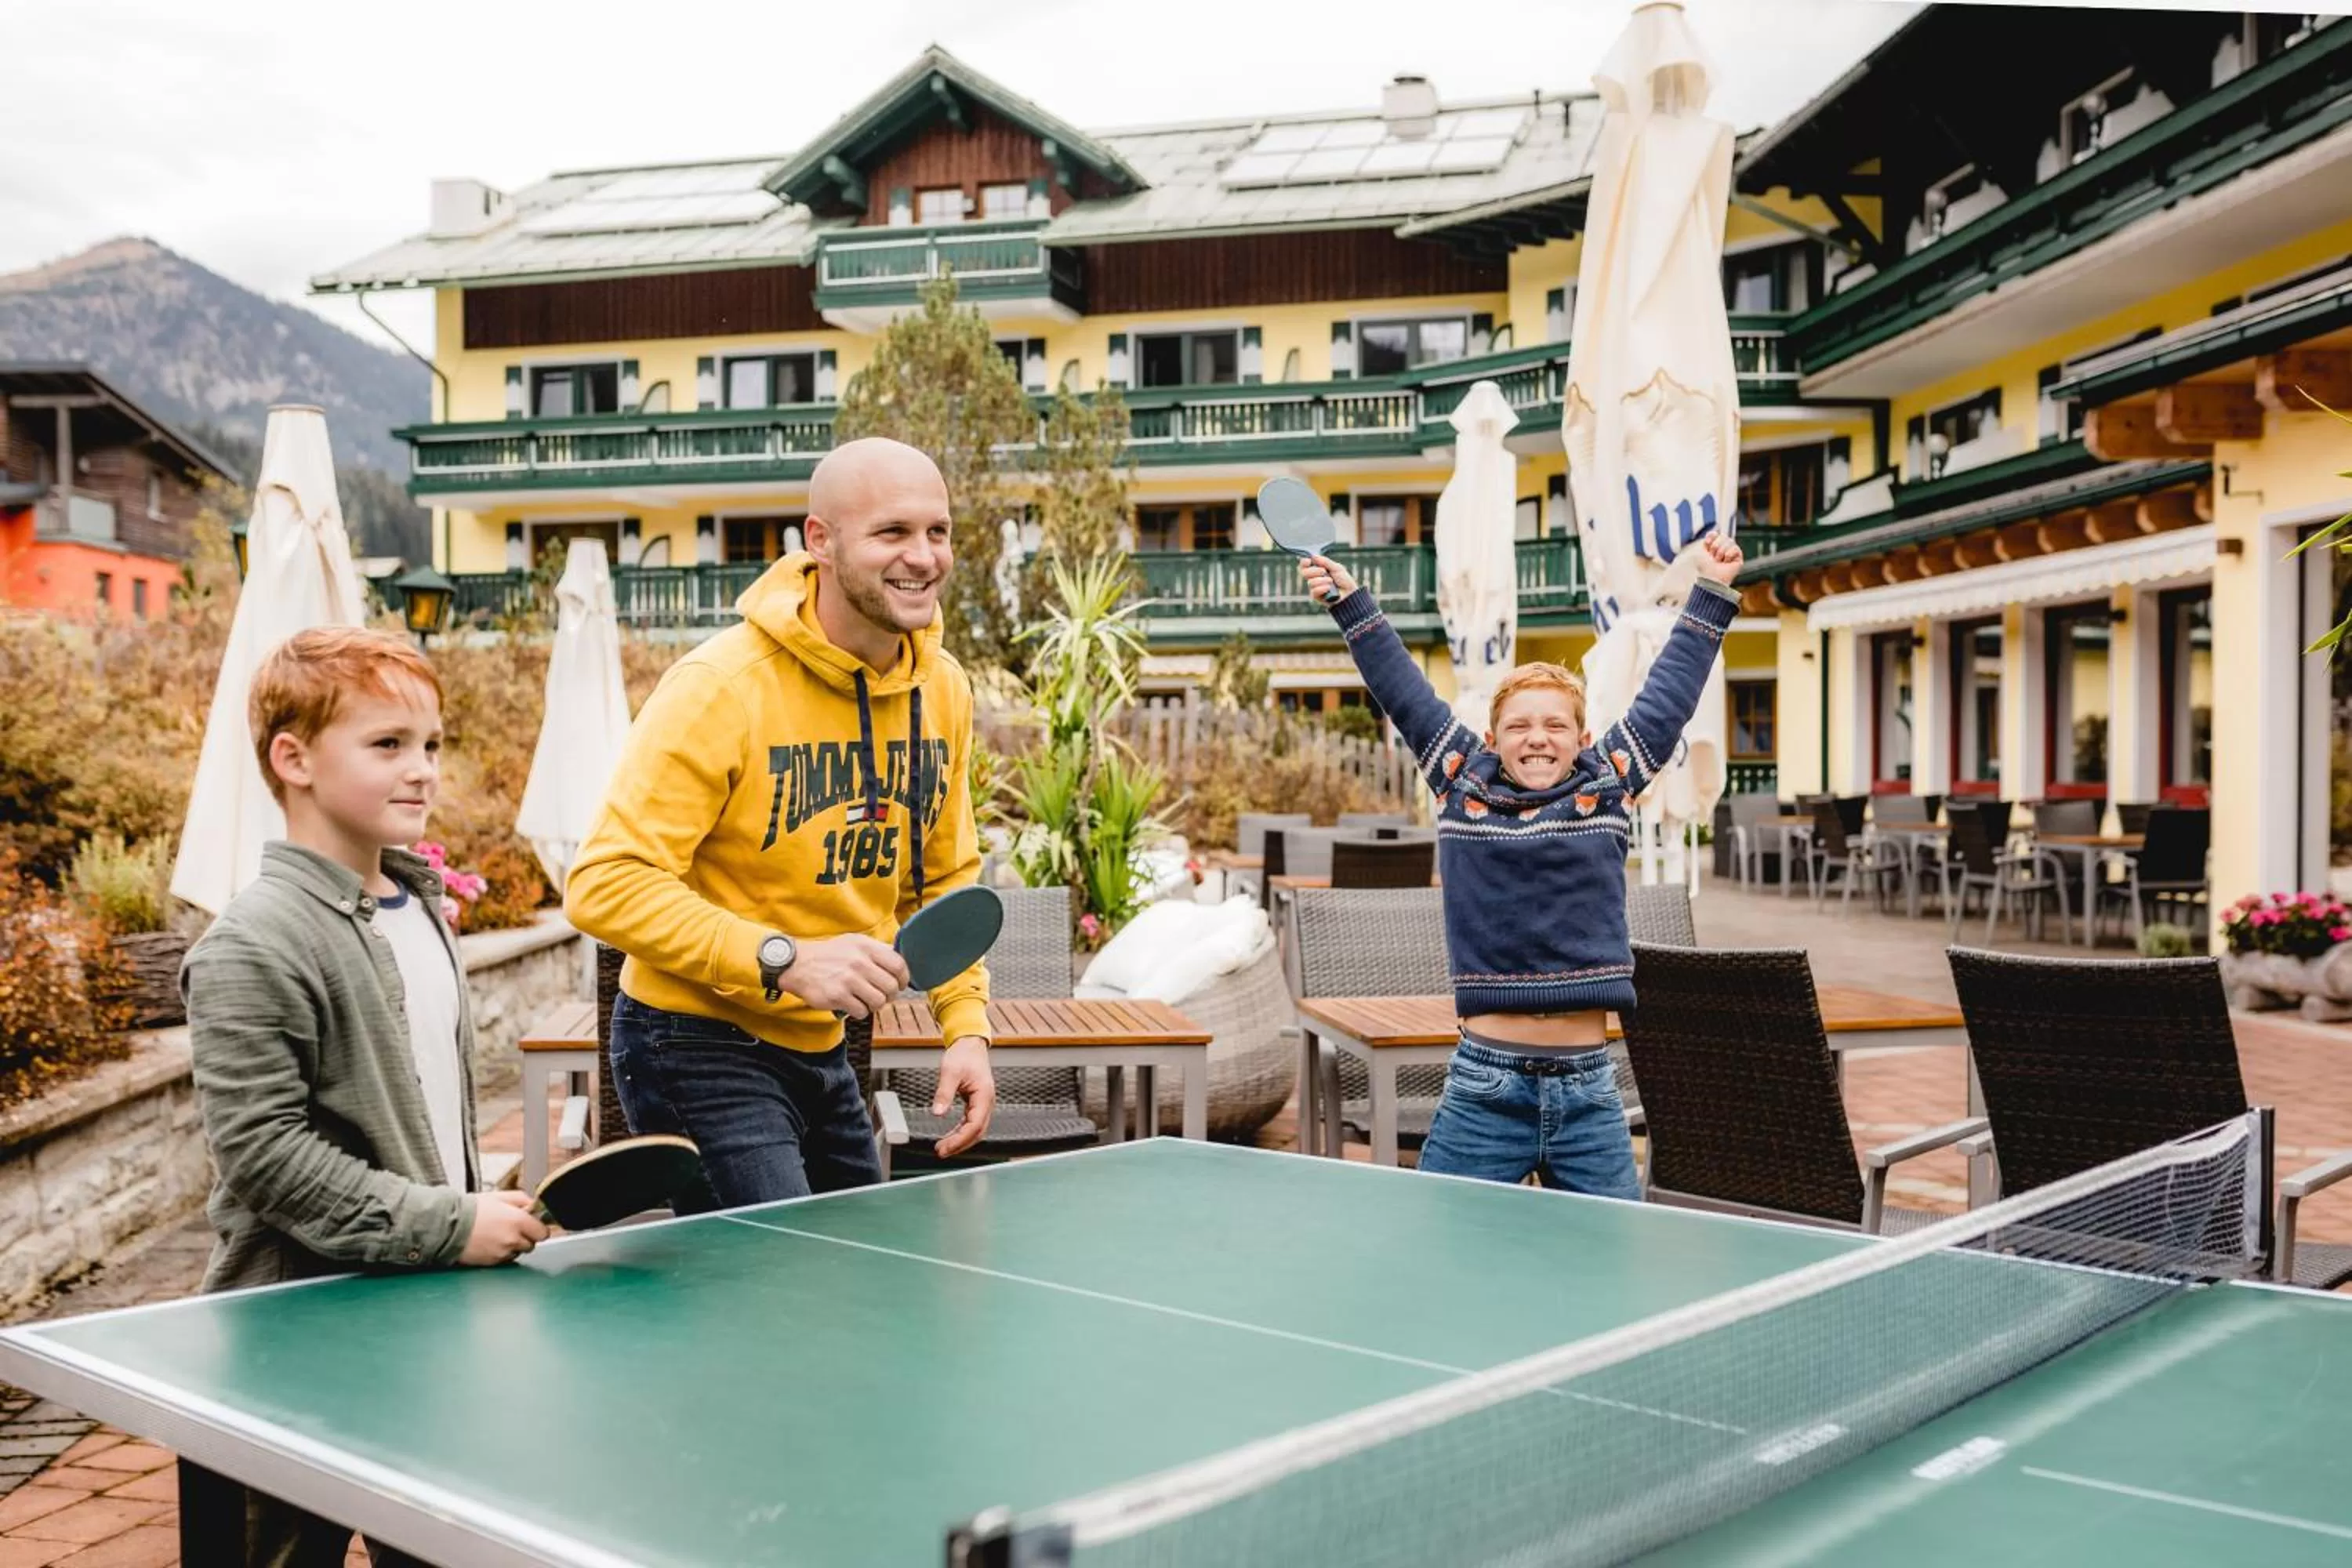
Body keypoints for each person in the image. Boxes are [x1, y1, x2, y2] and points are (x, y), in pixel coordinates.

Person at [181, 626, 546, 1567]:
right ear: (292, 759)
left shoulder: (420, 903)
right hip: (295, 1338)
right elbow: (266, 1158)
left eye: (431, 743)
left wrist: (463, 1216)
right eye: (387, 744)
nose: (423, 769)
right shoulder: (249, 945)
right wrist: (446, 1222)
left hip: (422, 1318)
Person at [567, 436, 996, 1207]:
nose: (925, 556)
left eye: (939, 531)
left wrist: (965, 1026)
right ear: (820, 541)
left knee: (852, 1262)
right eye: (893, 532)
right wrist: (784, 957)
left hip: (820, 1040)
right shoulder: (720, 686)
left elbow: (946, 880)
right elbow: (603, 884)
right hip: (691, 1037)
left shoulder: (943, 690)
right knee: (786, 1277)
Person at [1300, 532, 1744, 1194]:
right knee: (1443, 1257)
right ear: (1492, 739)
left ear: (1583, 740)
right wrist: (1349, 602)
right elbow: (1403, 689)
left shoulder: (1608, 782)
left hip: (1592, 1092)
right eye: (1519, 726)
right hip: (1485, 1086)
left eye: (1555, 725)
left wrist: (1709, 592)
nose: (1538, 736)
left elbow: (1669, 694)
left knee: (1609, 1271)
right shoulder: (1461, 781)